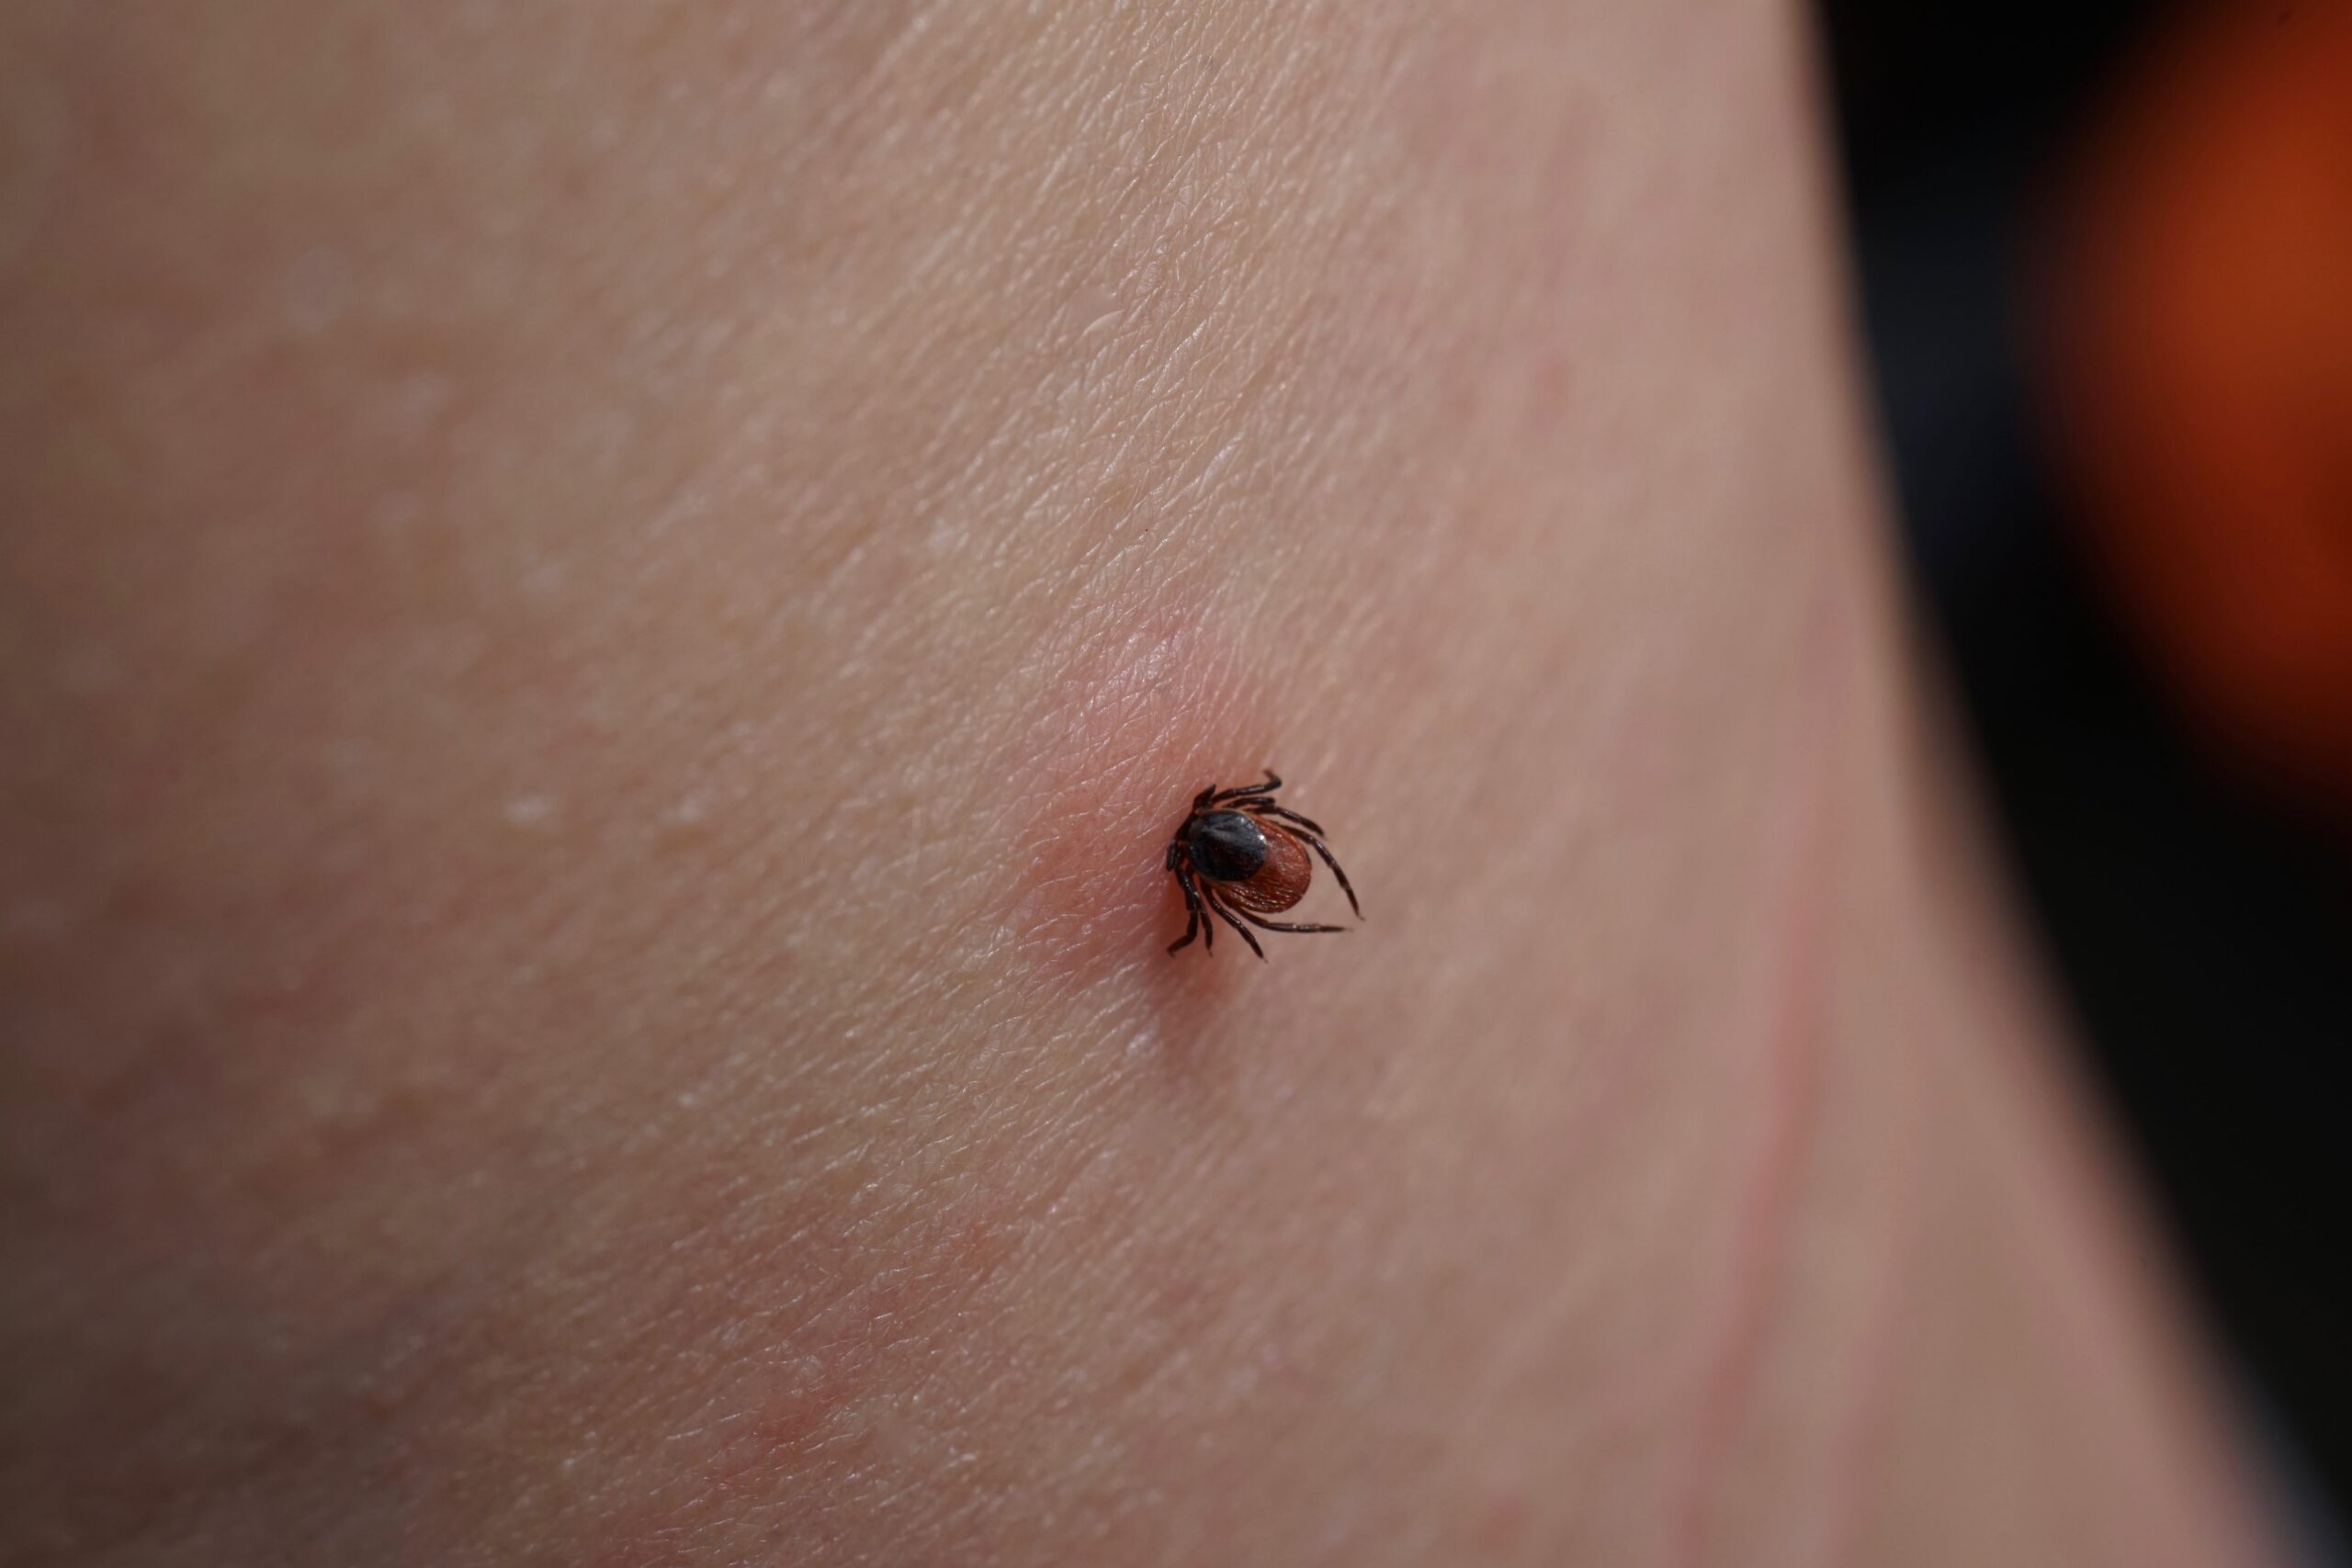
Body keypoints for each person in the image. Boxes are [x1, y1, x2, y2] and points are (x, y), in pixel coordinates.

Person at [0, 4, 2288, 1562]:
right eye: (1243, 850)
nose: (1235, 859)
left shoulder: (1227, 860)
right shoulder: (1232, 852)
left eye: (1238, 852)